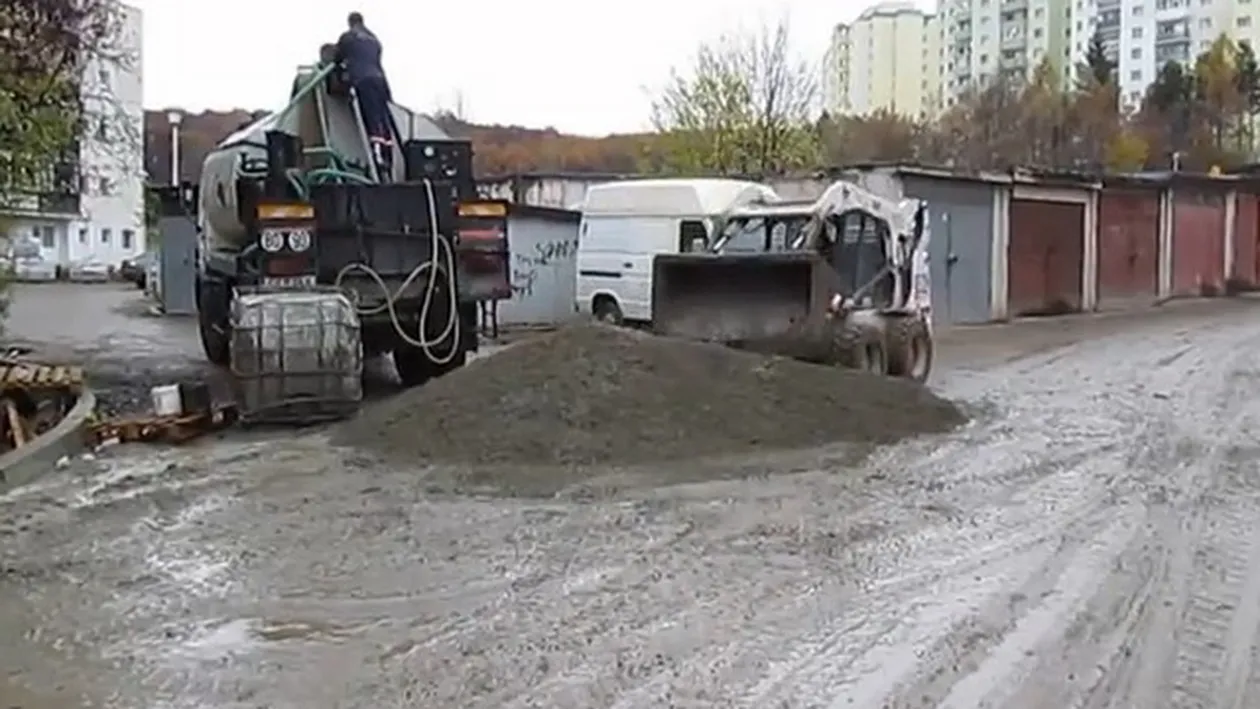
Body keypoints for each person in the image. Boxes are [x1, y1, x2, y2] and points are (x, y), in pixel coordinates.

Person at [335, 12, 393, 169]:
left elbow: (337, 58)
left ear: (350, 22)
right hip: (380, 80)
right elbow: (376, 61)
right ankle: (389, 155)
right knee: (383, 119)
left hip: (363, 80)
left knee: (371, 117)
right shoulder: (374, 40)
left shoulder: (348, 37)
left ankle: (377, 155)